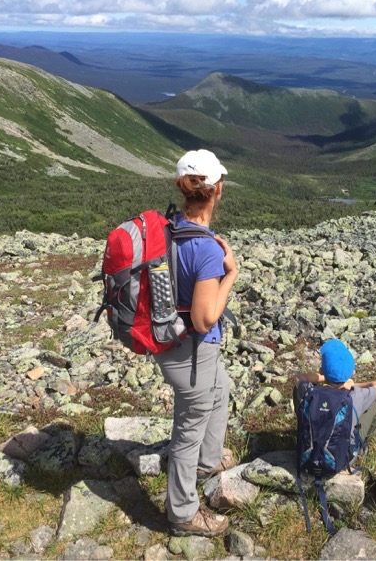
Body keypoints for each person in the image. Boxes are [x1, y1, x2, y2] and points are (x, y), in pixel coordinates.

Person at [155, 149, 238, 538]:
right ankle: (183, 514)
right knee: (188, 428)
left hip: (169, 341)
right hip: (192, 349)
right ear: (216, 189)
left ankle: (209, 462)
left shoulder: (170, 226)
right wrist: (230, 275)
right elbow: (206, 317)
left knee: (221, 388)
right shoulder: (205, 248)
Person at [295, 339, 376, 453]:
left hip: (308, 455)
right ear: (353, 372)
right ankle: (361, 446)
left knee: (297, 389)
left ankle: (306, 431)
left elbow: (299, 377)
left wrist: (325, 376)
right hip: (343, 458)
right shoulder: (356, 394)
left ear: (321, 370)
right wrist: (352, 385)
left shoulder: (310, 391)